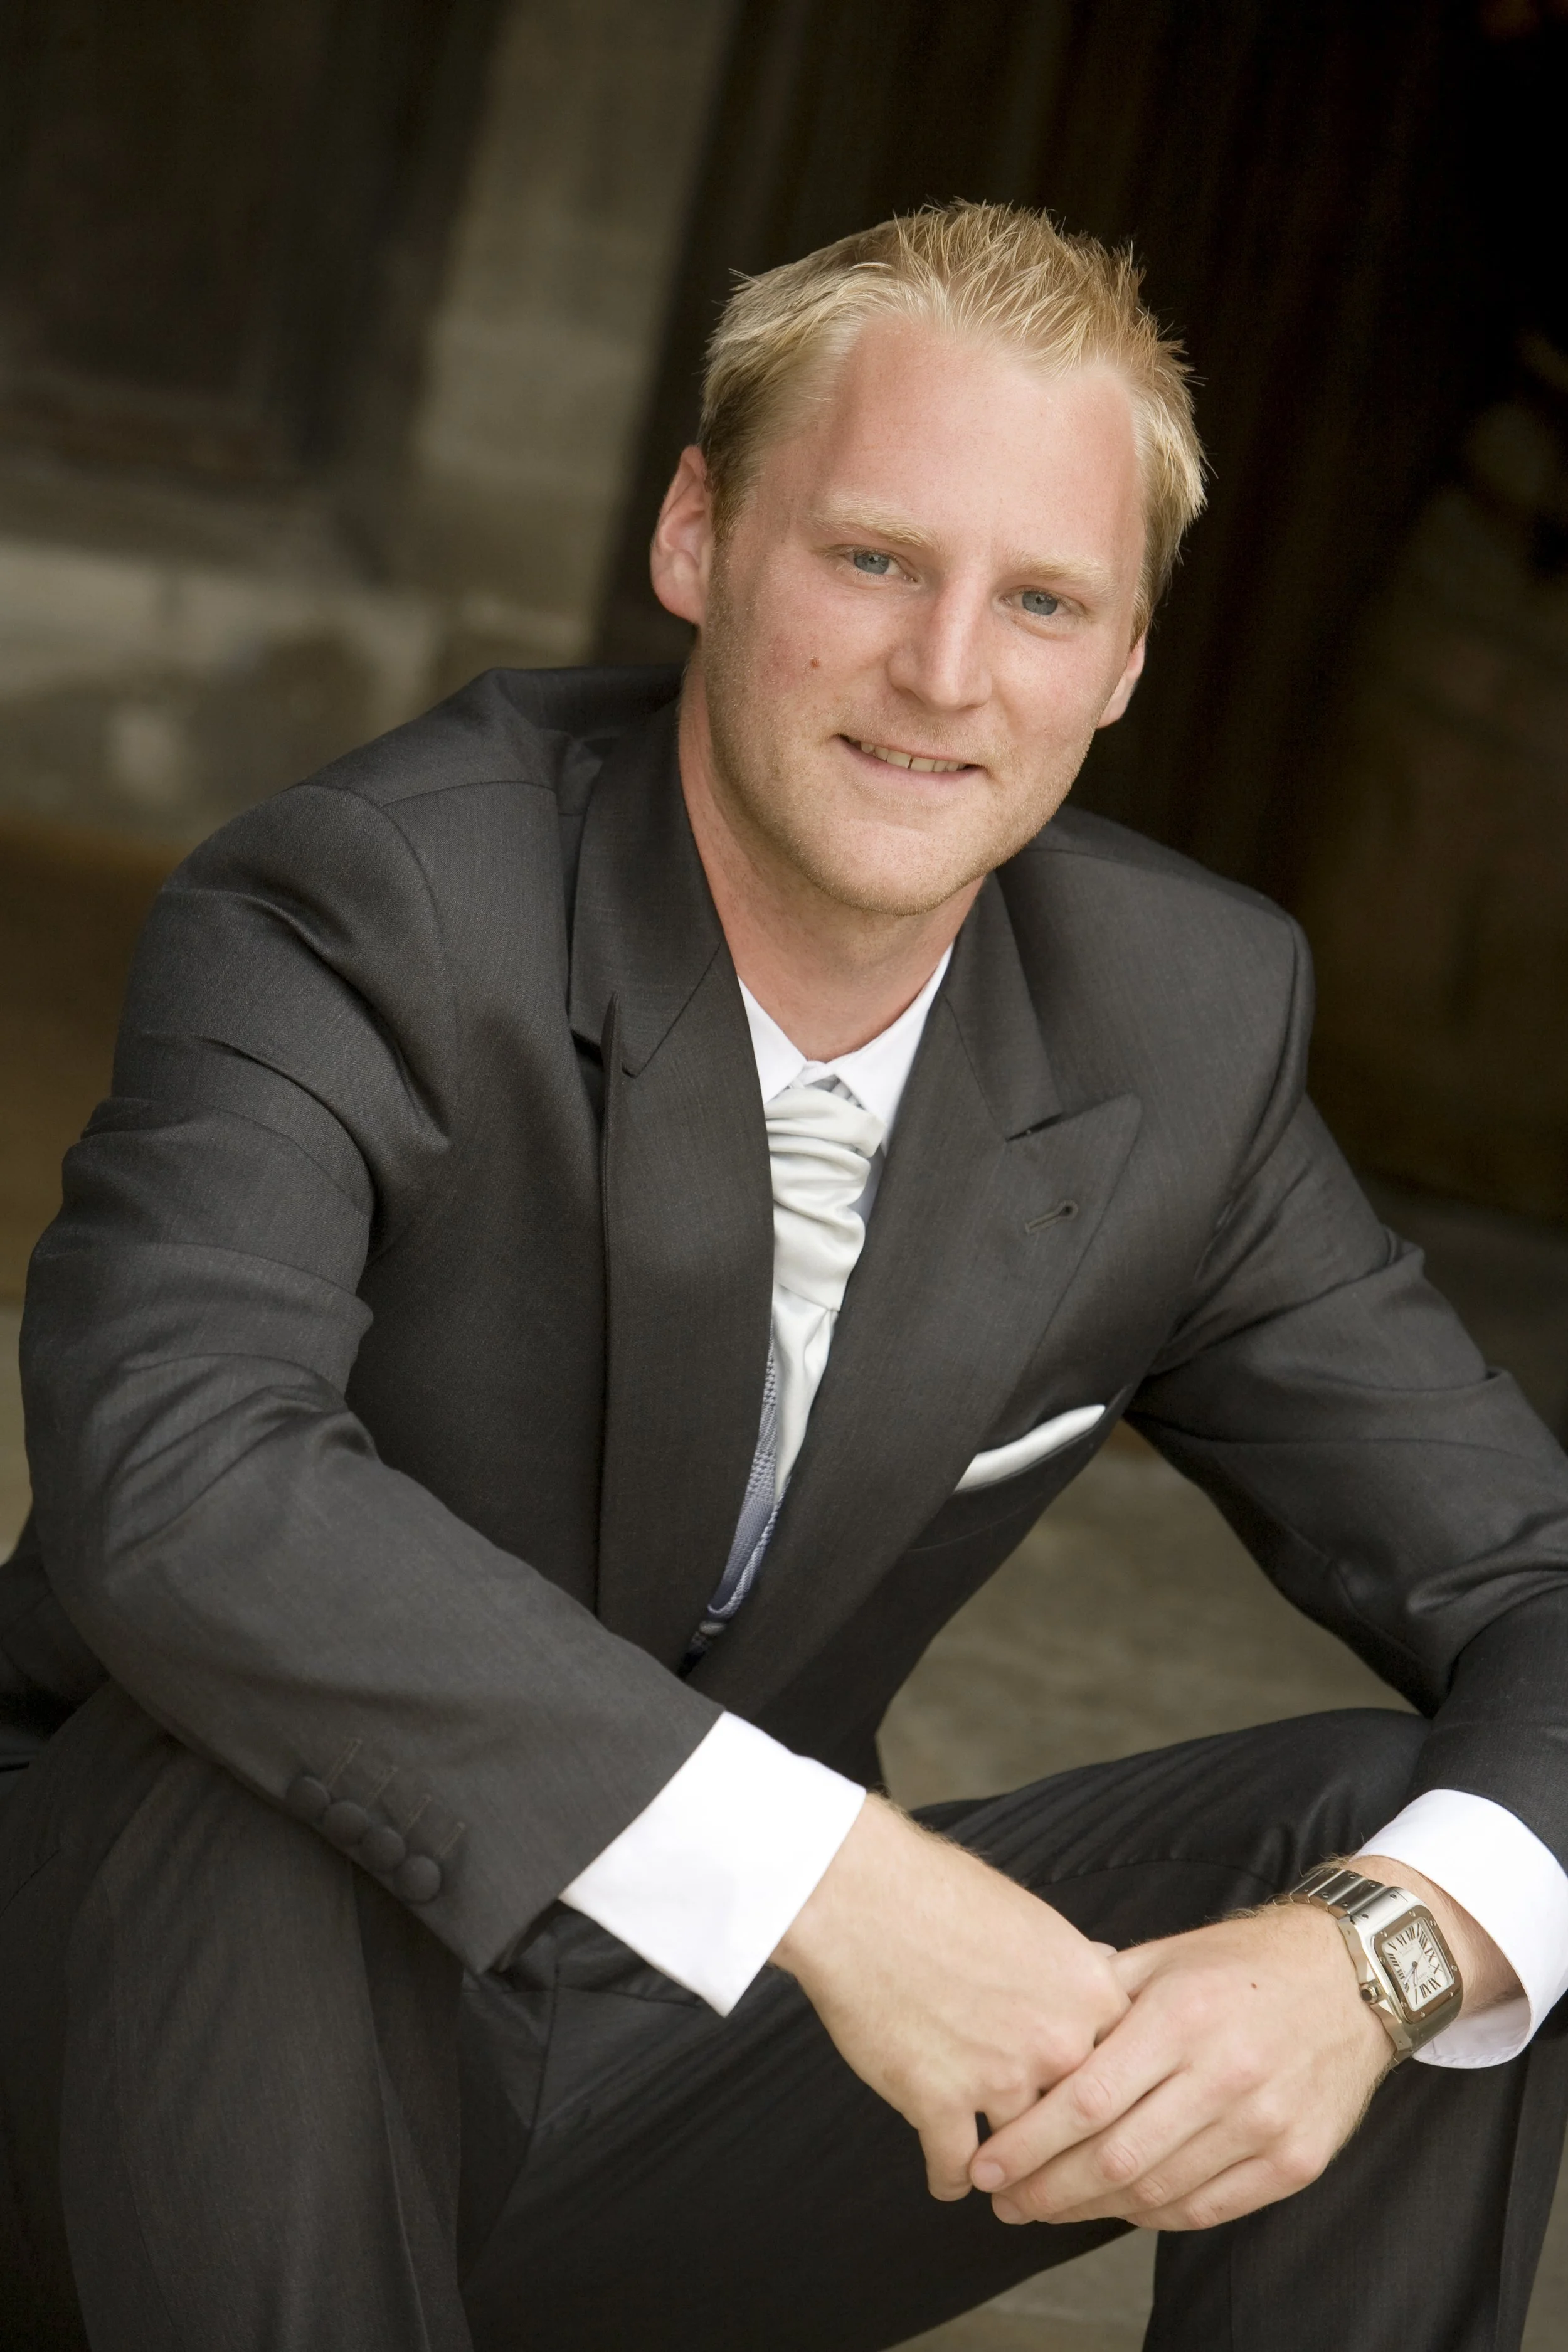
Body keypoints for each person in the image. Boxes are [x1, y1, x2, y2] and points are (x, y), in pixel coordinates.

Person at [1, 202, 1566, 2352]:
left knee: (1428, 1870)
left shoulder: (1177, 1025)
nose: (946, 675)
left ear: (1121, 663)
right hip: (129, 2070)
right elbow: (176, 1479)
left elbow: (1535, 1586)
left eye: (1039, 601)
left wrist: (1373, 1955)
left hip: (645, 2084)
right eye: (872, 561)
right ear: (695, 537)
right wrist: (837, 1877)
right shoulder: (372, 903)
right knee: (268, 1777)